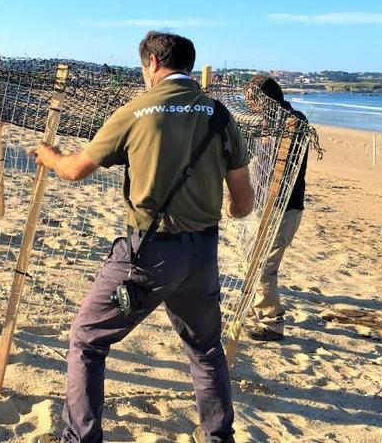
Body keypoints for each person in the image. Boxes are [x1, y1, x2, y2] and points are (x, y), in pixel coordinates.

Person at [31, 31, 254, 443]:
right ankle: (219, 436)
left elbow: (75, 170)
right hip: (203, 253)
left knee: (87, 339)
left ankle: (79, 437)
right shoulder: (221, 117)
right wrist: (225, 208)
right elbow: (243, 201)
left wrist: (49, 156)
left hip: (148, 252)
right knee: (205, 349)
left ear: (152, 63)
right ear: (189, 65)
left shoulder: (136, 112)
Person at [245, 74, 309, 342]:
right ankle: (254, 309)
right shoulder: (268, 124)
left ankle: (272, 324)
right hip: (263, 207)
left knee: (264, 267)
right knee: (253, 260)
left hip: (283, 209)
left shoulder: (294, 122)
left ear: (266, 99)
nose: (250, 106)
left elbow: (281, 166)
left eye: (253, 101)